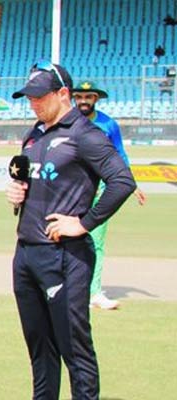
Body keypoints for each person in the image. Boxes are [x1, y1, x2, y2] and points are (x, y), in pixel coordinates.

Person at [6, 61, 136, 399]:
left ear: (63, 94)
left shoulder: (84, 134)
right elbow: (30, 179)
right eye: (28, 98)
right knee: (40, 348)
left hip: (65, 256)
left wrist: (83, 223)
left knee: (74, 349)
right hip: (26, 254)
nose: (32, 104)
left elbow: (122, 181)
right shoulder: (33, 133)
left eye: (39, 97)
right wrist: (16, 194)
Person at [72, 81, 147, 310]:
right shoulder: (66, 121)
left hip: (99, 193)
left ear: (96, 99)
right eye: (80, 97)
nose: (84, 101)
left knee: (96, 242)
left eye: (89, 97)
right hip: (71, 192)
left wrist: (130, 183)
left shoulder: (108, 124)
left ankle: (94, 292)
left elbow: (119, 155)